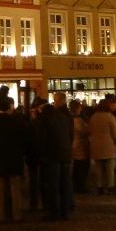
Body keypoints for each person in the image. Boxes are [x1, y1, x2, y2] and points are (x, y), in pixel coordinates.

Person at [0, 97, 29, 223]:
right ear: (10, 107)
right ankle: (17, 214)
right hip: (14, 158)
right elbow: (23, 139)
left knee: (0, 189)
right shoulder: (16, 121)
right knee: (15, 188)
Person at [37, 92, 74, 220]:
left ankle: (55, 212)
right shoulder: (64, 117)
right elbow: (71, 135)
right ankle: (65, 211)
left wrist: (42, 154)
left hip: (52, 154)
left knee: (53, 184)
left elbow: (42, 138)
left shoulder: (45, 119)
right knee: (65, 182)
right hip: (65, 152)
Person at [88, 99, 116, 195]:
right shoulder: (110, 117)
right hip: (108, 145)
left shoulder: (93, 117)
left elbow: (90, 130)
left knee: (98, 168)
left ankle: (99, 186)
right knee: (110, 168)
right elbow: (115, 134)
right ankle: (110, 186)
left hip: (96, 145)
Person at [70, 99, 90, 193]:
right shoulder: (78, 120)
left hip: (75, 146)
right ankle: (80, 186)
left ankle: (77, 185)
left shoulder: (71, 119)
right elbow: (85, 131)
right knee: (82, 168)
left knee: (77, 167)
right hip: (80, 146)